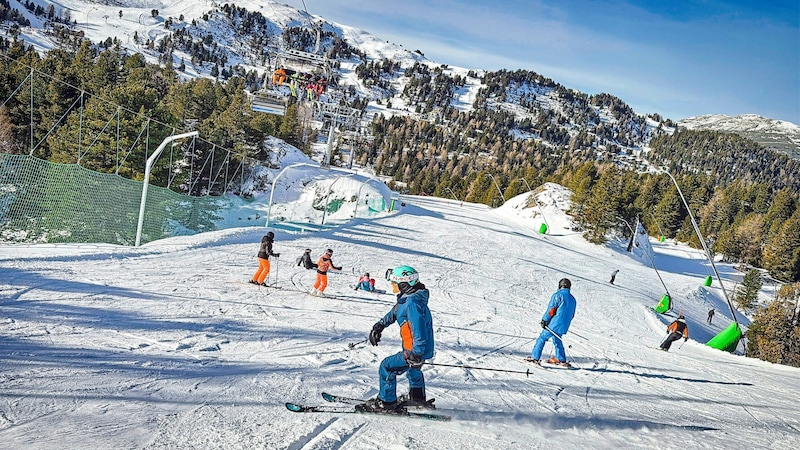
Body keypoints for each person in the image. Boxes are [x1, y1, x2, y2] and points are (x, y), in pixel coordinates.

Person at [362, 266, 434, 413]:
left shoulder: (412, 303)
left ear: (404, 285)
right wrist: (379, 326)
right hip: (418, 349)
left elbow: (419, 331)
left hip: (414, 349)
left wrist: (416, 354)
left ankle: (386, 402)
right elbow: (394, 313)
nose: (392, 286)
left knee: (387, 367)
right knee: (413, 370)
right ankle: (417, 397)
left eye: (394, 283)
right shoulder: (407, 299)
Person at [526, 278, 577, 367]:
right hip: (564, 325)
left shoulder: (558, 295)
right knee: (557, 339)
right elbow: (572, 315)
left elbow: (551, 310)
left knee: (542, 338)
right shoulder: (573, 299)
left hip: (554, 324)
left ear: (560, 285)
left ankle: (535, 357)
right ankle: (561, 359)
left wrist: (545, 320)